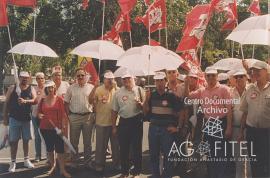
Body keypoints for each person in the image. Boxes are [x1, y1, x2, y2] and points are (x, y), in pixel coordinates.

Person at [184, 67, 233, 178]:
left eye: (213, 75)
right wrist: (186, 83)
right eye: (208, 75)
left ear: (217, 76)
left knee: (220, 153)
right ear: (205, 76)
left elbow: (229, 109)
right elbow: (188, 97)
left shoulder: (224, 89)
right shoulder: (202, 91)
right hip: (208, 124)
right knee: (210, 154)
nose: (211, 77)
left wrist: (229, 127)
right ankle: (212, 175)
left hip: (221, 123)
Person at [143, 72, 184, 178]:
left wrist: (178, 127)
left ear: (165, 81)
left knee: (168, 155)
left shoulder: (171, 95)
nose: (159, 83)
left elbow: (181, 111)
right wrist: (146, 99)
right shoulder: (151, 94)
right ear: (154, 82)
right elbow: (145, 111)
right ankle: (155, 175)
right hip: (153, 128)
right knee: (153, 155)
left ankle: (167, 175)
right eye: (157, 80)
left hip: (167, 129)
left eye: (161, 80)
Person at [239, 61, 270, 178]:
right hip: (252, 132)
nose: (255, 73)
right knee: (254, 162)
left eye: (258, 70)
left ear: (266, 71)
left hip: (267, 133)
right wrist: (241, 132)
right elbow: (245, 113)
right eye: (254, 70)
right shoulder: (249, 89)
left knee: (267, 163)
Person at [111, 71, 145, 178]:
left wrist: (141, 104)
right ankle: (125, 172)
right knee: (124, 148)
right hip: (124, 122)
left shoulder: (140, 90)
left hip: (136, 121)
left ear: (133, 79)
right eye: (124, 79)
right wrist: (113, 127)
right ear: (121, 80)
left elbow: (146, 109)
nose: (126, 81)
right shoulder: (118, 93)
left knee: (136, 148)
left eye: (128, 78)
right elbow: (114, 111)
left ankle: (137, 172)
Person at [3, 71, 37, 172]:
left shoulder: (31, 88)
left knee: (26, 140)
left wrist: (26, 101)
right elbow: (6, 103)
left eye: (26, 77)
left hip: (27, 119)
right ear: (19, 78)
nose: (24, 79)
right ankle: (13, 162)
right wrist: (5, 117)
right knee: (14, 141)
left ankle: (26, 160)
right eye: (22, 77)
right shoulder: (12, 88)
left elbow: (35, 100)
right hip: (14, 119)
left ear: (29, 78)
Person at [88, 71, 120, 173]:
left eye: (111, 79)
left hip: (115, 123)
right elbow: (90, 100)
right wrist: (94, 87)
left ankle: (117, 164)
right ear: (104, 80)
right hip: (101, 122)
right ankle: (99, 164)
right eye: (108, 79)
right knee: (101, 146)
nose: (110, 81)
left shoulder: (117, 90)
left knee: (116, 145)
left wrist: (116, 87)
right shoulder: (98, 89)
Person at [38, 81, 71, 178]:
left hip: (57, 129)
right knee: (50, 149)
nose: (50, 89)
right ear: (46, 89)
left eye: (52, 87)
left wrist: (63, 127)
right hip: (45, 128)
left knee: (60, 150)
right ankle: (53, 167)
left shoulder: (59, 99)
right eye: (48, 88)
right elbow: (39, 113)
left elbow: (63, 115)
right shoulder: (43, 100)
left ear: (54, 88)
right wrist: (40, 115)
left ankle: (62, 170)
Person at [64, 68, 95, 167]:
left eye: (82, 75)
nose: (80, 77)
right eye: (78, 75)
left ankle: (87, 162)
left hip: (88, 117)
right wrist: (69, 115)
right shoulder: (71, 88)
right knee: (74, 142)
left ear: (86, 76)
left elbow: (95, 102)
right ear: (75, 77)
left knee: (87, 142)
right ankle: (74, 160)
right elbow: (66, 102)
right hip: (74, 117)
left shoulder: (92, 87)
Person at [229, 69, 251, 178]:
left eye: (241, 76)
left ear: (246, 77)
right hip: (235, 130)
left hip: (251, 129)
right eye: (236, 77)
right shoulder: (229, 93)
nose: (238, 79)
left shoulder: (252, 90)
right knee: (238, 159)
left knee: (251, 158)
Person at [32, 72, 46, 162]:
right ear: (36, 80)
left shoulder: (48, 89)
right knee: (37, 136)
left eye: (42, 78)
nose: (40, 80)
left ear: (44, 79)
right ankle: (38, 155)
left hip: (45, 116)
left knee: (46, 136)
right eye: (38, 78)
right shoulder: (33, 89)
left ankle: (48, 155)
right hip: (35, 115)